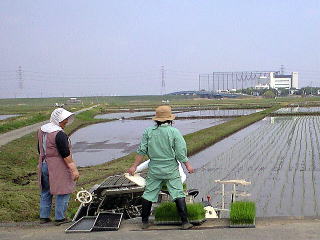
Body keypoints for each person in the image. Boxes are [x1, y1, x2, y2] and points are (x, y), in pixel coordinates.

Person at [127, 105, 194, 230]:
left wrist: (134, 167)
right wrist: (188, 165)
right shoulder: (174, 132)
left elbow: (141, 151)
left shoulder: (148, 132)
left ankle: (145, 222)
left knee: (148, 194)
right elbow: (180, 152)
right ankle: (185, 222)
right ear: (170, 120)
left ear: (156, 119)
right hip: (171, 169)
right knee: (178, 193)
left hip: (155, 170)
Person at [37, 108, 79, 225]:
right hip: (57, 166)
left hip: (43, 164)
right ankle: (60, 218)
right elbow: (65, 153)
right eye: (64, 120)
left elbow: (39, 149)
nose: (66, 122)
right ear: (58, 120)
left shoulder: (41, 131)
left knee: (46, 190)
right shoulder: (59, 134)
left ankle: (44, 217)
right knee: (64, 190)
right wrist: (74, 170)